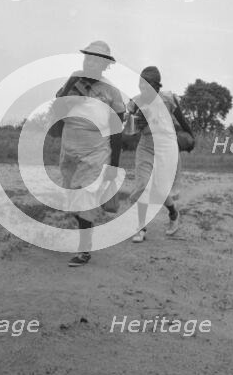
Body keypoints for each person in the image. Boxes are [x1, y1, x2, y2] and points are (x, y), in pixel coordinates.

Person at [56, 41, 125, 267]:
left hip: (96, 152)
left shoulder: (112, 91)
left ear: (105, 65)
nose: (91, 62)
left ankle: (84, 251)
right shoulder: (74, 79)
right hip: (70, 149)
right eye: (88, 58)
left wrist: (113, 166)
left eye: (97, 59)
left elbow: (117, 132)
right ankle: (86, 227)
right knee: (71, 198)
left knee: (85, 198)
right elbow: (58, 111)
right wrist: (71, 88)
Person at [127, 66, 181, 242]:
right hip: (146, 146)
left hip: (165, 146)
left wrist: (190, 137)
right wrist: (136, 121)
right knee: (143, 185)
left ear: (157, 86)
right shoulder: (135, 102)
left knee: (160, 189)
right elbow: (128, 129)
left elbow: (182, 121)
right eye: (141, 83)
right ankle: (141, 228)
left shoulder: (167, 100)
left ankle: (173, 214)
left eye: (148, 84)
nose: (143, 87)